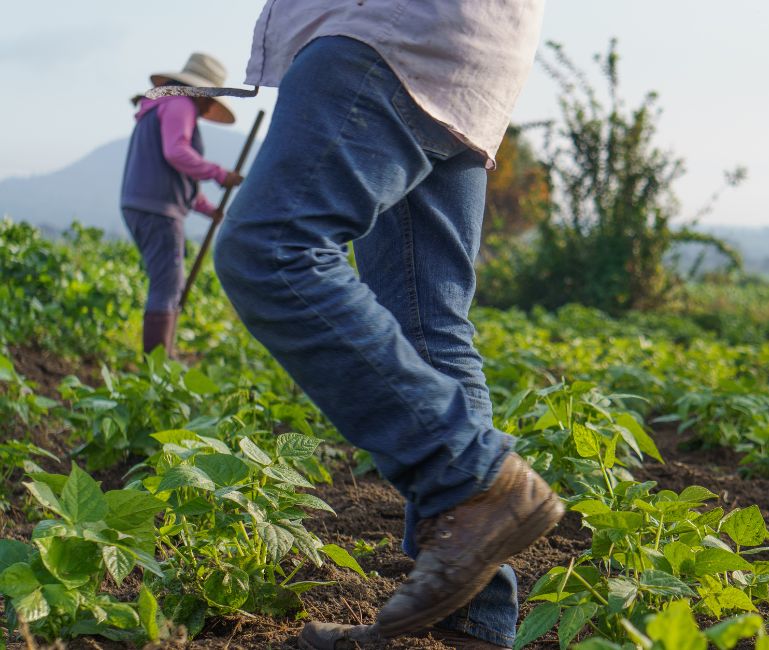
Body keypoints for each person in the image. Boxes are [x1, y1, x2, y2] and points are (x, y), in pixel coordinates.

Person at [209, 4, 560, 650]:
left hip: (383, 31)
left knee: (269, 248)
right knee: (428, 325)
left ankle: (472, 478)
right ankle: (472, 622)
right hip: (471, 52)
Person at [120, 53, 243, 357]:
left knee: (167, 281)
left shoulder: (161, 106)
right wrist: (219, 174)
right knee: (168, 284)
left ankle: (162, 359)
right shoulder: (180, 105)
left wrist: (207, 209)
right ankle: (159, 367)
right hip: (157, 209)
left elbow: (176, 174)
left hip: (142, 204)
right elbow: (176, 153)